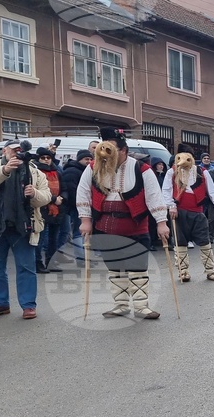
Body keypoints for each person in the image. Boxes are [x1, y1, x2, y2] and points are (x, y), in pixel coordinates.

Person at [77, 128, 169, 319]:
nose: (105, 154)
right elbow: (83, 192)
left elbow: (154, 196)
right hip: (105, 226)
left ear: (124, 150)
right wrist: (85, 220)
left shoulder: (141, 168)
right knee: (114, 268)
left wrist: (161, 222)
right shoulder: (93, 167)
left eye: (112, 149)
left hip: (135, 225)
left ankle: (142, 306)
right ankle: (120, 305)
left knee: (137, 268)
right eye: (104, 148)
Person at [0, 139, 51, 319]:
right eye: (14, 149)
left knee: (26, 267)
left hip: (23, 226)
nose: (17, 153)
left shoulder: (34, 170)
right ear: (4, 151)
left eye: (20, 150)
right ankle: (0, 304)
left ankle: (28, 306)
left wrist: (35, 194)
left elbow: (46, 197)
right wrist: (5, 170)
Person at [162, 144, 214, 282]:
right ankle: (183, 271)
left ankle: (210, 270)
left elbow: (212, 191)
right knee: (180, 243)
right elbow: (166, 191)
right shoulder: (172, 172)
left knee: (205, 242)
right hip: (179, 212)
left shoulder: (202, 172)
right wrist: (171, 206)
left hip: (198, 212)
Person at [32, 147, 66, 273]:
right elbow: (36, 190)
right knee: (40, 238)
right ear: (38, 159)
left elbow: (64, 187)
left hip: (57, 209)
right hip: (41, 208)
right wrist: (53, 199)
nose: (46, 160)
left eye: (48, 158)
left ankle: (51, 262)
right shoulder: (35, 172)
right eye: (43, 158)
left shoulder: (57, 171)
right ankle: (38, 263)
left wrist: (62, 198)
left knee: (54, 238)